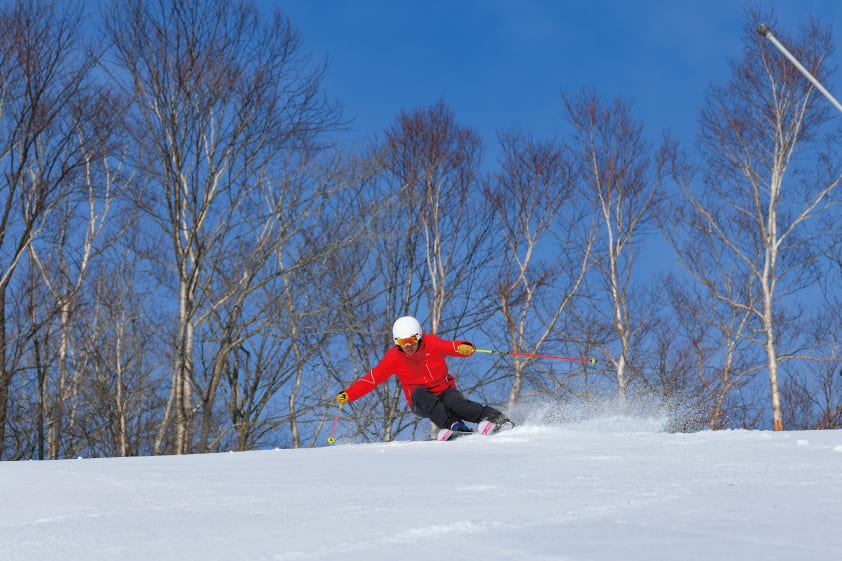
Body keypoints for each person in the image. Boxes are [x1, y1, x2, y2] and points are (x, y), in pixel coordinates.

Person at [336, 315, 514, 436]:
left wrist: (464, 346)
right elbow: (372, 378)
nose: (408, 346)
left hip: (444, 389)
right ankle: (455, 426)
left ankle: (498, 420)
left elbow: (452, 346)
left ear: (419, 337)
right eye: (403, 342)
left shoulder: (432, 343)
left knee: (456, 403)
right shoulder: (393, 358)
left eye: (412, 341)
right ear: (396, 342)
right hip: (420, 400)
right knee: (421, 394)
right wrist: (349, 394)